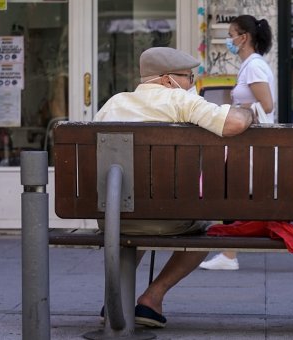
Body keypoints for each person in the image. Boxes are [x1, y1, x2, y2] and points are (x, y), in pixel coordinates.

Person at [94, 46, 255, 328]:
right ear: (168, 80)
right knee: (208, 229)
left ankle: (116, 300)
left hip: (115, 217)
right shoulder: (181, 101)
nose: (191, 84)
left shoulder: (113, 104)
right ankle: (152, 299)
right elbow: (233, 124)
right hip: (170, 217)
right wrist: (250, 113)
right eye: (189, 77)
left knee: (130, 215)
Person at [199, 14, 276, 271]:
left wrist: (234, 109)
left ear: (243, 38)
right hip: (250, 141)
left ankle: (229, 254)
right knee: (239, 191)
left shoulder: (253, 66)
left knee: (234, 190)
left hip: (252, 142)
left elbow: (266, 105)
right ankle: (229, 253)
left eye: (231, 35)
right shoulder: (251, 65)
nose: (228, 40)